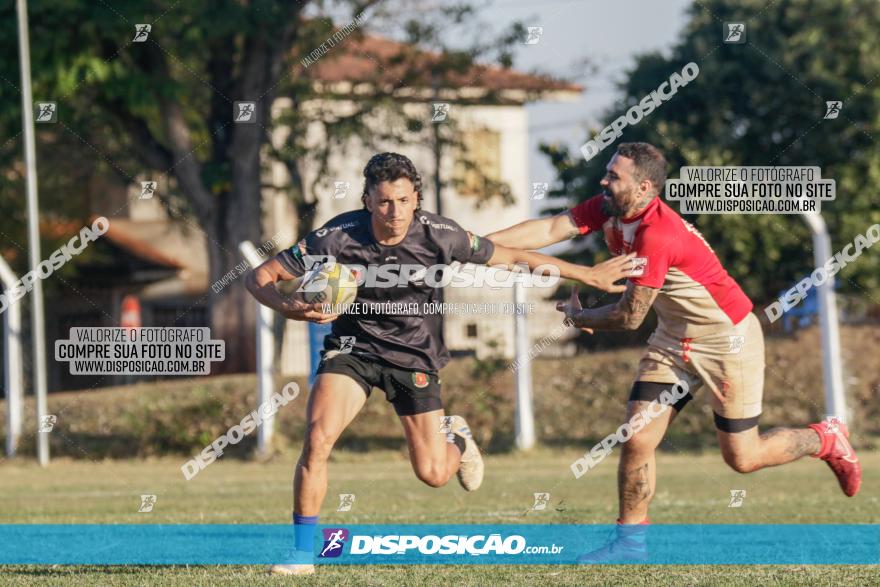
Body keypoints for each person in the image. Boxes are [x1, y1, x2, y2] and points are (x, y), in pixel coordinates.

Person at [246, 152, 634, 575]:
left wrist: (587, 274)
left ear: (416, 199)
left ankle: (460, 440)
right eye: (383, 202)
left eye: (403, 200)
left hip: (414, 355)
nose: (394, 212)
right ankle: (304, 553)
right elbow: (259, 277)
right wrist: (290, 308)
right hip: (352, 349)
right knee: (318, 439)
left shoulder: (440, 234)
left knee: (432, 473)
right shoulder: (337, 236)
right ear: (367, 201)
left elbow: (511, 258)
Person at [488, 142, 861, 562]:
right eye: (607, 172)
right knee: (636, 435)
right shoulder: (612, 208)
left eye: (614, 176)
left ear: (644, 186)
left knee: (743, 457)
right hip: (673, 339)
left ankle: (824, 438)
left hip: (728, 340)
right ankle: (630, 545)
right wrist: (479, 247)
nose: (603, 181)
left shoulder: (657, 234)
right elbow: (549, 229)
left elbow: (629, 317)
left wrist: (580, 318)